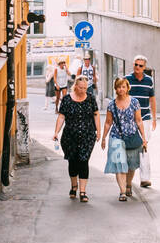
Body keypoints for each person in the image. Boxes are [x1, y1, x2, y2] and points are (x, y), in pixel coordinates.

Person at [53, 72, 99, 202]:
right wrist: (56, 132)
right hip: (69, 137)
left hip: (87, 136)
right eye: (81, 88)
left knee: (83, 162)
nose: (83, 90)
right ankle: (74, 186)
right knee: (73, 162)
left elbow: (96, 114)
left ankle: (83, 192)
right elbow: (62, 116)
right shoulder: (67, 99)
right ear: (75, 86)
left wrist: (98, 132)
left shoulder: (90, 98)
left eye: (85, 88)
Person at [100, 76, 147, 200]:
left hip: (132, 136)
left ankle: (128, 184)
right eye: (119, 87)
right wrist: (104, 138)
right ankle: (122, 192)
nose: (121, 89)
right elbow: (108, 122)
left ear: (127, 88)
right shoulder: (111, 104)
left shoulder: (134, 102)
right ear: (115, 89)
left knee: (131, 166)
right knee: (119, 164)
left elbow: (139, 121)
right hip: (116, 137)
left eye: (123, 87)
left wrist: (144, 138)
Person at [125, 56, 156, 187]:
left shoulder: (149, 81)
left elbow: (152, 99)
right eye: (136, 65)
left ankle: (145, 178)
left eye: (140, 66)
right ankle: (127, 177)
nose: (137, 68)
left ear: (145, 67)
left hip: (145, 118)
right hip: (130, 119)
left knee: (144, 146)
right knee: (130, 147)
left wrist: (154, 118)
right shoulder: (127, 79)